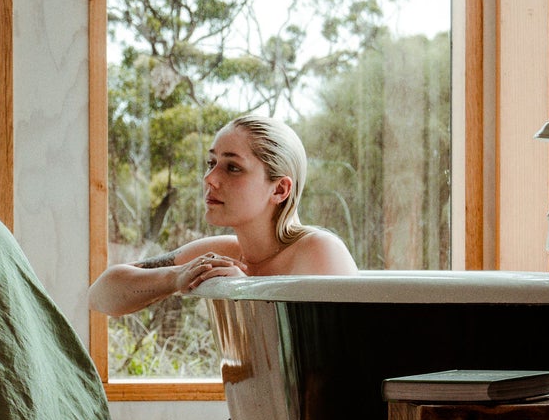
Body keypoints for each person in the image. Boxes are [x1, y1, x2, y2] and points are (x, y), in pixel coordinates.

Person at [87, 113, 357, 316]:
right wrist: (177, 277)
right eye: (211, 163)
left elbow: (335, 358)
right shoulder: (224, 252)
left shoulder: (318, 250)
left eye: (233, 168)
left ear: (280, 189)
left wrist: (248, 291)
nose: (209, 178)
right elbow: (101, 295)